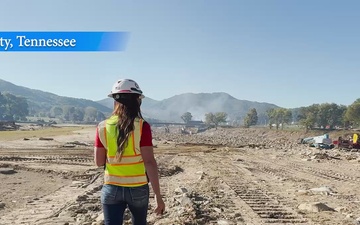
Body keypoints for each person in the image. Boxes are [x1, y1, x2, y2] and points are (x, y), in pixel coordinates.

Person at [93, 79, 165, 225]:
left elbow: (99, 162)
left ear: (115, 100)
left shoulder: (102, 127)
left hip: (111, 187)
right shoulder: (142, 126)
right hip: (138, 187)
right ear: (137, 100)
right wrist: (158, 195)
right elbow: (149, 162)